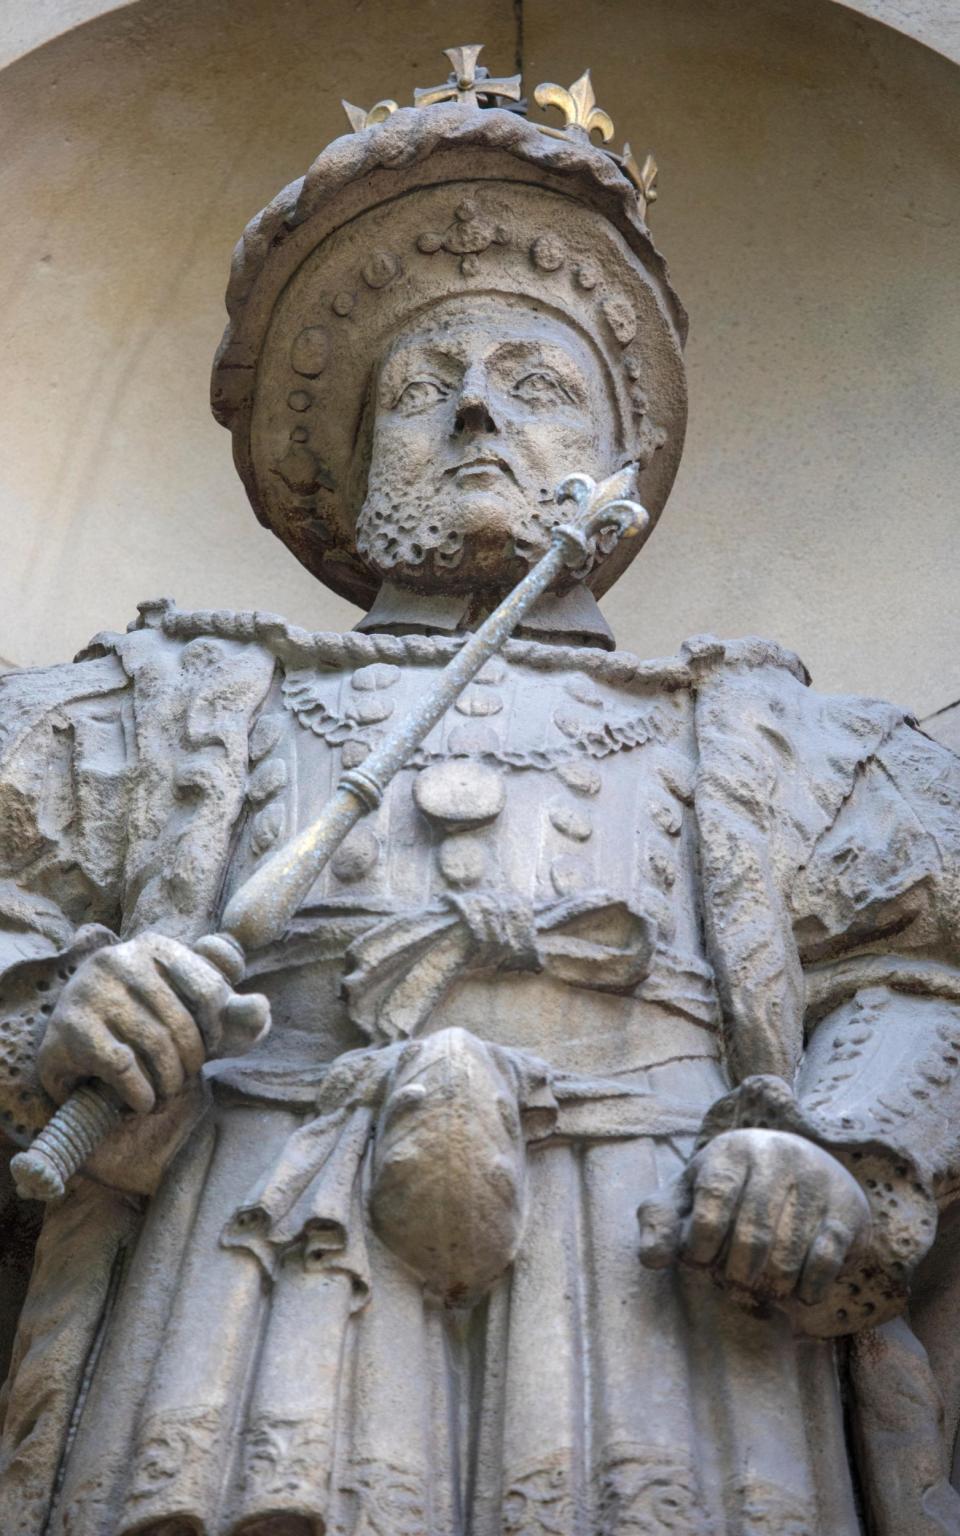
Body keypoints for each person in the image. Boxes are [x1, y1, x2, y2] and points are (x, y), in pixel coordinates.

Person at [1, 46, 960, 1536]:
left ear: (609, 457)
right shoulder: (179, 704)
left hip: (665, 1279)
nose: (474, 419)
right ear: (366, 445)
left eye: (535, 385)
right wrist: (64, 1011)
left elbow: (920, 980)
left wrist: (833, 1151)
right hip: (256, 1259)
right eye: (425, 389)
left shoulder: (776, 734)